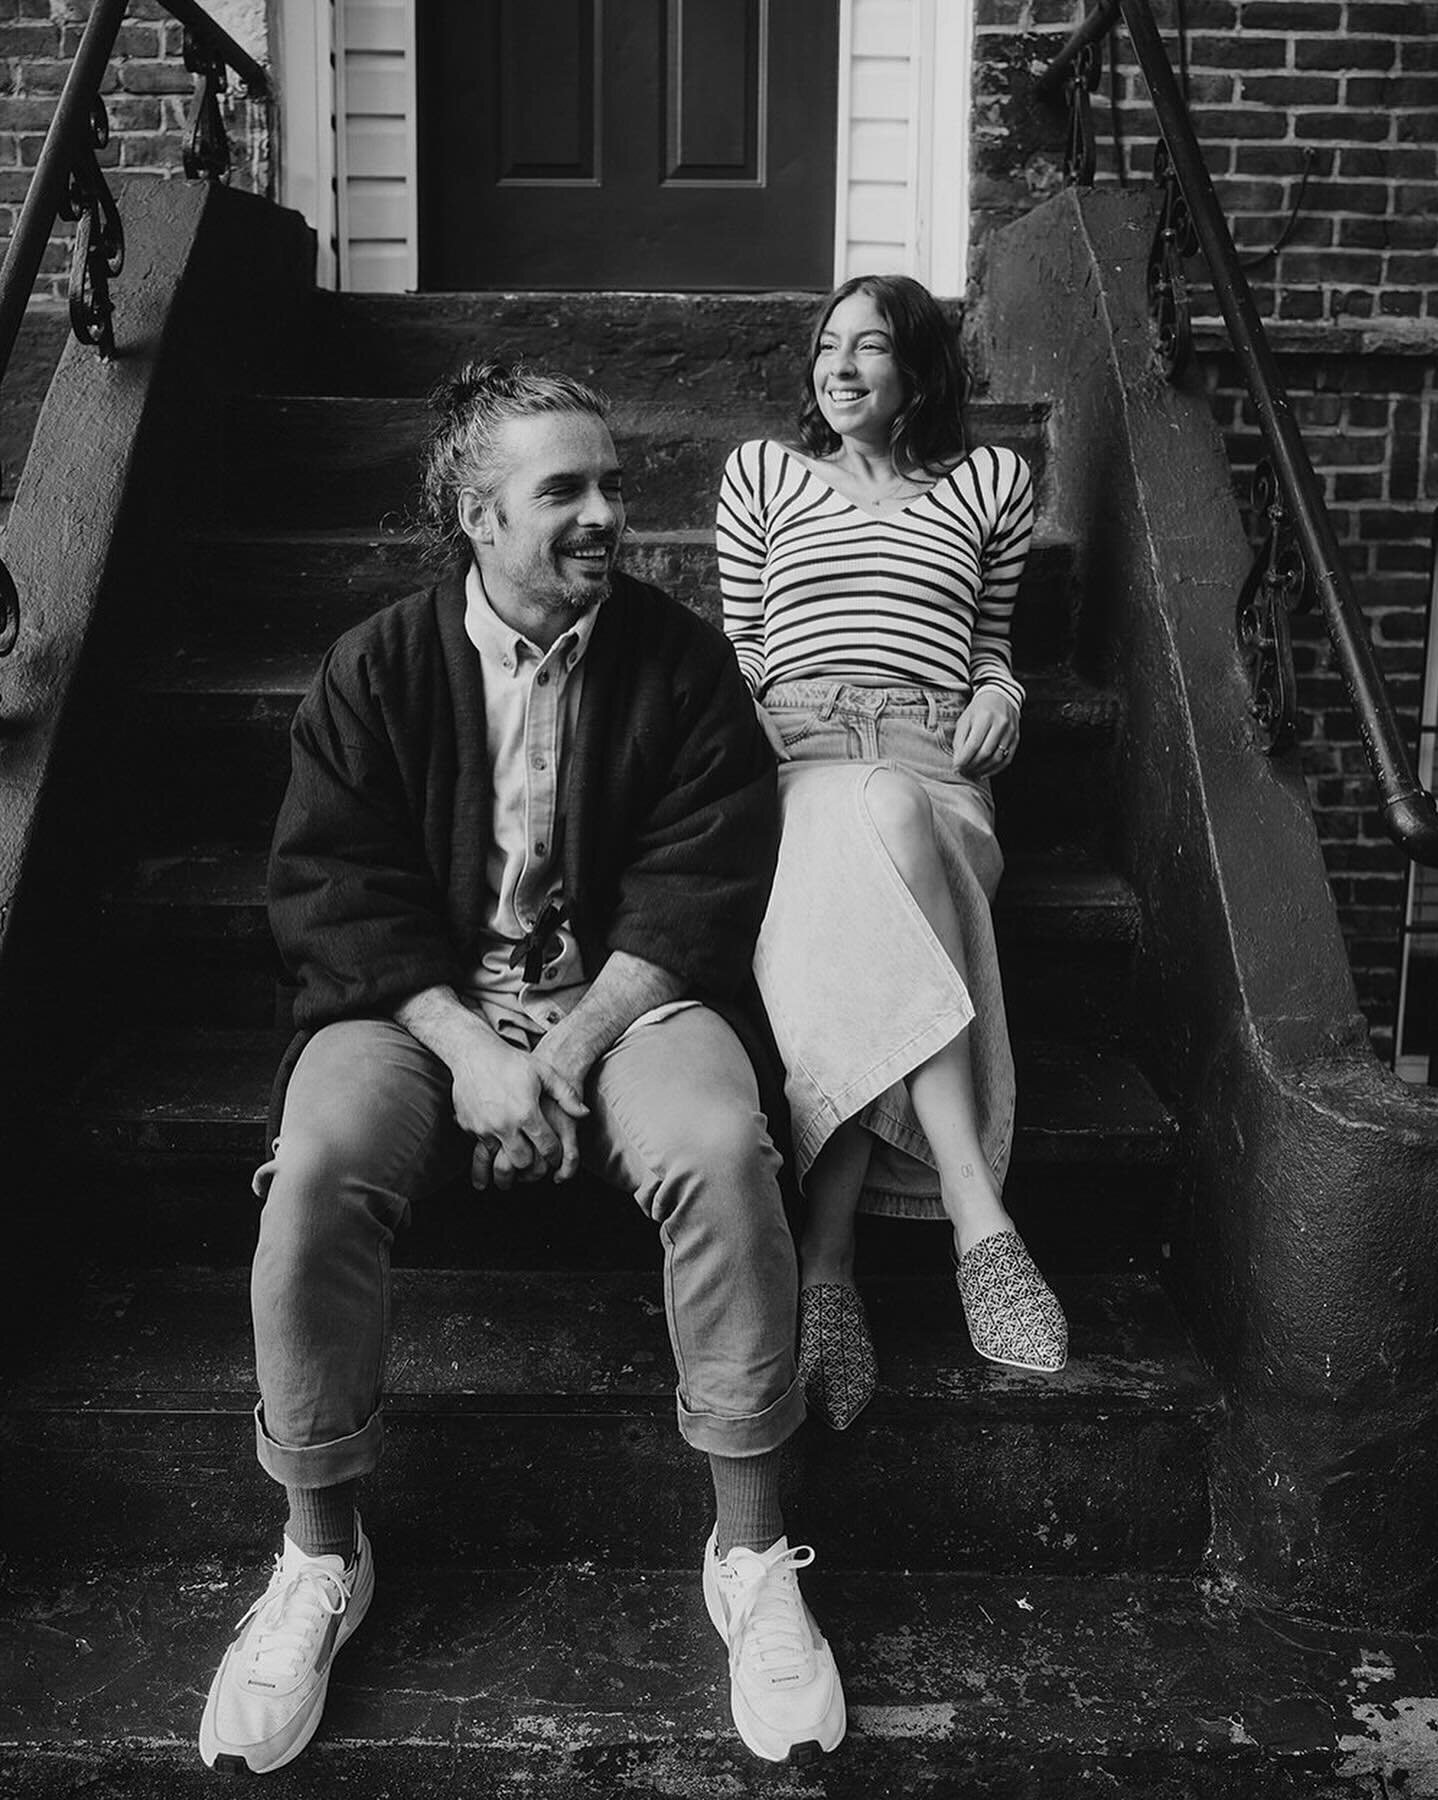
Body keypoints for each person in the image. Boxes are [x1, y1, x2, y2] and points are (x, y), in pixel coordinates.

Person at [197, 363, 846, 1774]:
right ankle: (318, 1553)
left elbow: (701, 882)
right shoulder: (377, 668)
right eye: (567, 491)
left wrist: (559, 1051)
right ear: (478, 517)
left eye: (611, 484)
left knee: (724, 1152)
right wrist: (471, 1055)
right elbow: (336, 895)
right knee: (314, 1168)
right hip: (415, 1009)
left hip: (627, 1002)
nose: (608, 514)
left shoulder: (674, 661)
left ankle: (750, 1554)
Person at [715, 274, 1068, 1433]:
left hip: (931, 756)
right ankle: (981, 1218)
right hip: (802, 756)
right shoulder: (764, 474)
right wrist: (760, 719)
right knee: (876, 825)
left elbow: (994, 647)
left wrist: (1005, 698)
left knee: (902, 823)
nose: (842, 364)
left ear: (920, 370)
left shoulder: (991, 485)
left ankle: (825, 1269)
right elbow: (743, 646)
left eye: (872, 346)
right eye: (828, 345)